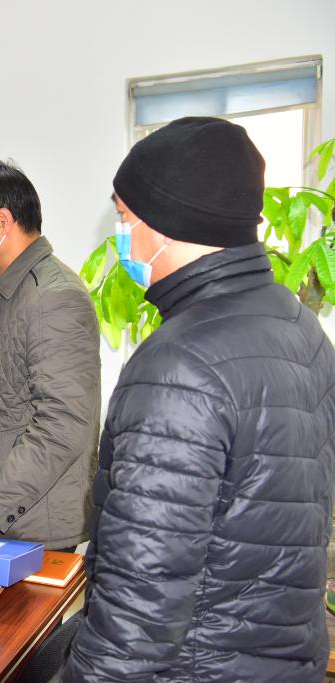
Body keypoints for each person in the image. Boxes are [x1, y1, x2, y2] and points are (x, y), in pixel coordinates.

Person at [62, 117, 335, 682]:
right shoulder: (299, 325)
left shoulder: (178, 366)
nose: (121, 233)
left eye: (125, 216)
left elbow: (138, 609)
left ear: (166, 223)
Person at [0, 161, 100, 550]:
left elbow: (63, 423)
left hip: (31, 522)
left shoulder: (53, 297)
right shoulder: (7, 290)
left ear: (2, 222)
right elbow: (2, 406)